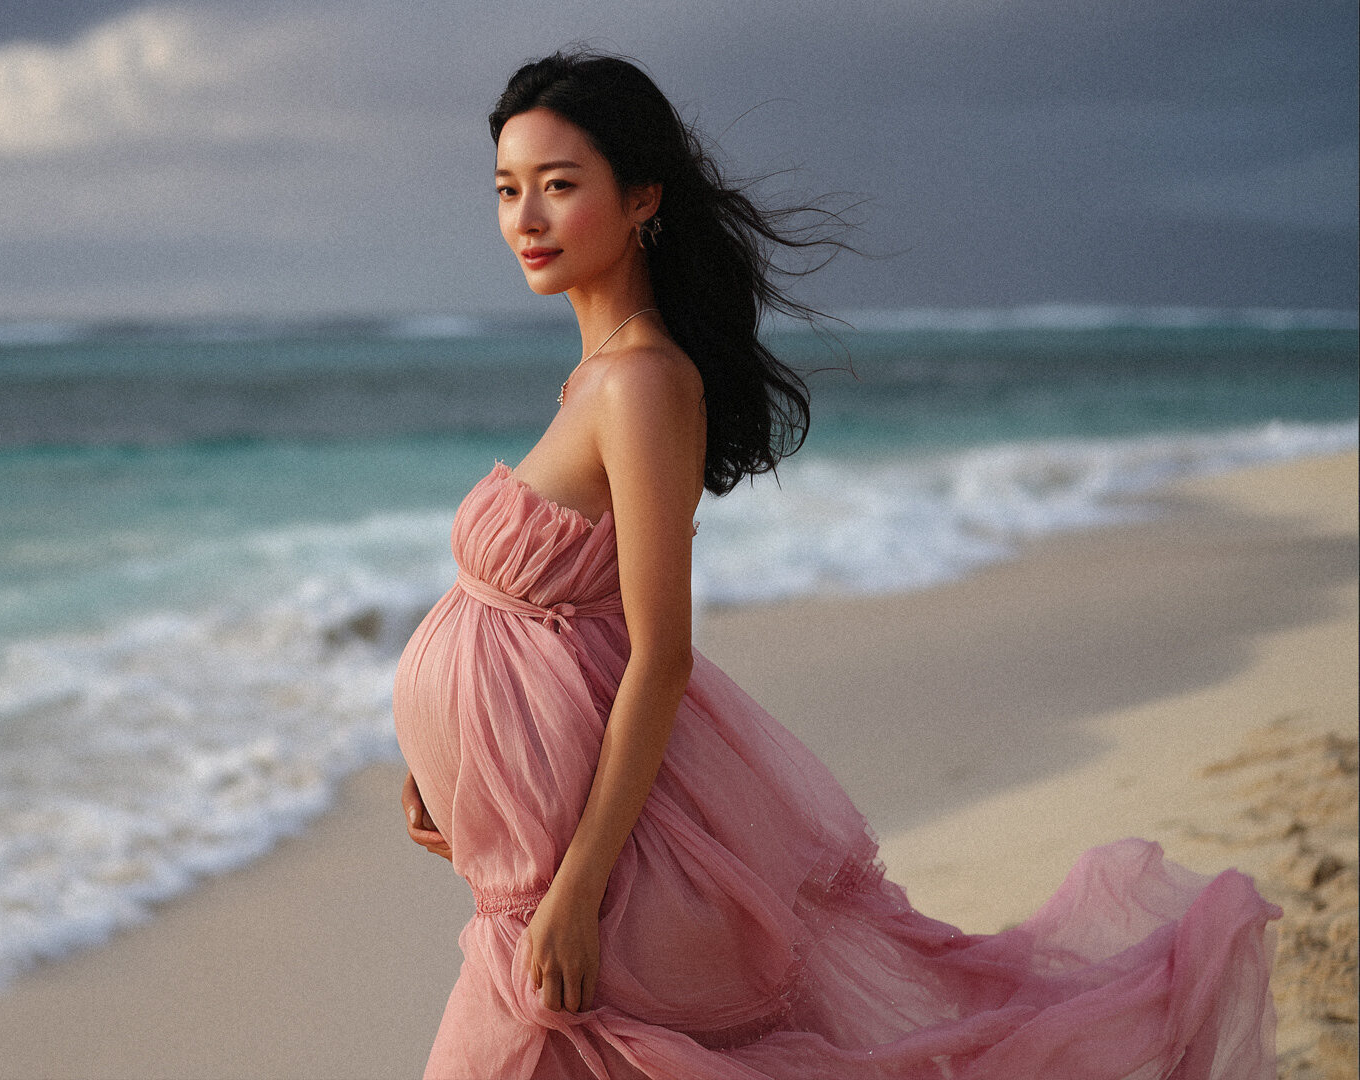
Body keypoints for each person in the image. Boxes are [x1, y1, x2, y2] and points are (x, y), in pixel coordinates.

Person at [392, 49, 1280, 1079]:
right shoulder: (595, 378)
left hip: (596, 876)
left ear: (640, 198)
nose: (525, 219)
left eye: (557, 185)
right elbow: (555, 627)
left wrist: (580, 888)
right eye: (506, 190)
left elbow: (657, 655)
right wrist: (458, 775)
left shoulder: (639, 382)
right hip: (532, 857)